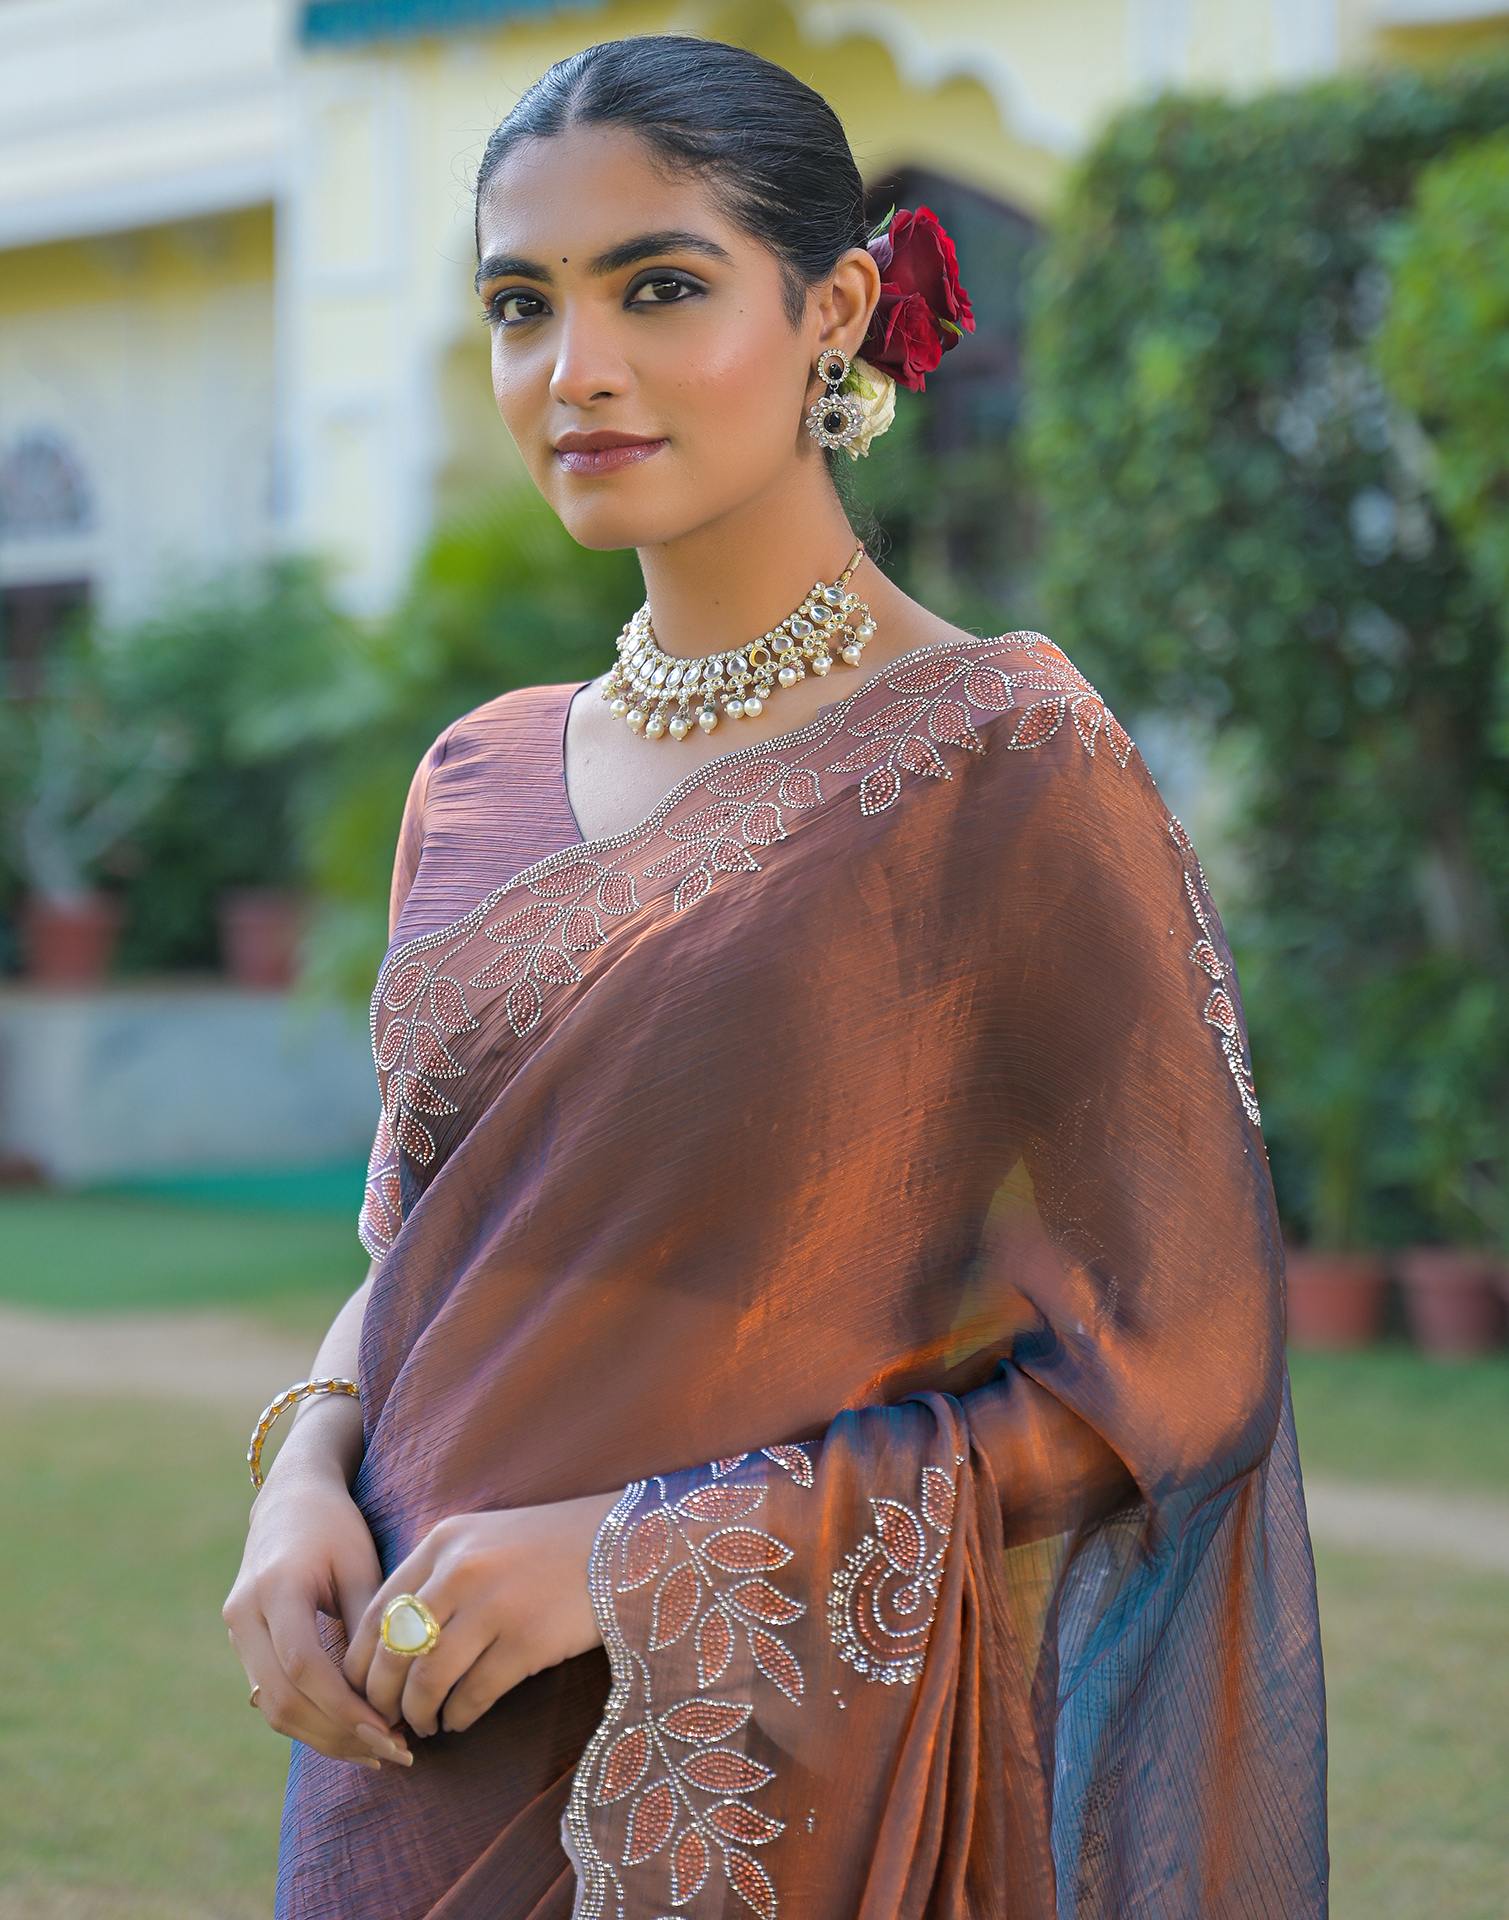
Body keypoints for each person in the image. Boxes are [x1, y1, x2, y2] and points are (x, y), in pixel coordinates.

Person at [224, 32, 1329, 1919]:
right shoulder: (473, 778)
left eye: (659, 286)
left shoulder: (1003, 761)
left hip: (756, 1767)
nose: (575, 370)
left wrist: (633, 1559)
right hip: (407, 1731)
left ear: (832, 312)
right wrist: (302, 1469)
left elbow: (1186, 1362)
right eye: (521, 303)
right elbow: (410, 1256)